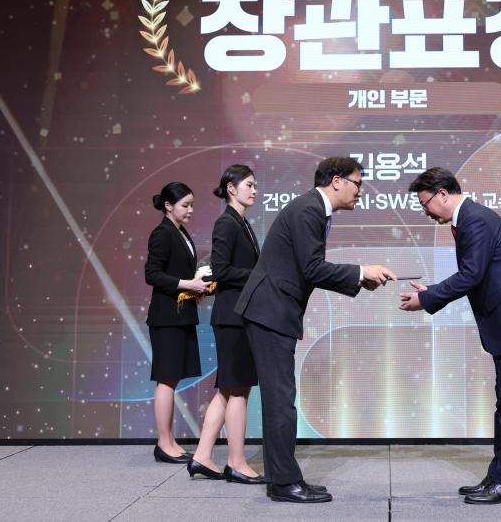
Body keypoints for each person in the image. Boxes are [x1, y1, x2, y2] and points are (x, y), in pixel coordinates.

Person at [235, 156, 397, 503]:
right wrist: (361, 271)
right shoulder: (309, 209)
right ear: (337, 181)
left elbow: (308, 268)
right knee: (281, 400)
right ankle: (284, 483)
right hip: (269, 312)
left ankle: (282, 478)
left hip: (273, 311)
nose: (360, 192)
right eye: (357, 184)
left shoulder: (313, 209)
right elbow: (312, 268)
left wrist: (359, 279)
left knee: (280, 399)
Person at [399, 167, 501, 505]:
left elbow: (471, 275)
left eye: (425, 203)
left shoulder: (475, 219)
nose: (426, 212)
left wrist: (427, 299)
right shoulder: (470, 219)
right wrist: (433, 292)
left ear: (443, 193)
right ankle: (498, 477)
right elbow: (475, 273)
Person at [188, 165, 265, 484]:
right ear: (231, 188)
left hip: (237, 315)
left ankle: (202, 456)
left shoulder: (240, 222)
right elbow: (220, 270)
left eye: (255, 185)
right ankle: (236, 462)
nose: (254, 190)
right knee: (239, 391)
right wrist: (261, 275)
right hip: (232, 317)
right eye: (249, 185)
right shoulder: (227, 222)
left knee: (229, 388)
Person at [144, 181, 209, 464]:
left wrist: (196, 288)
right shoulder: (162, 233)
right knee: (166, 379)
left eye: (192, 204)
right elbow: (152, 274)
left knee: (172, 378)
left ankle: (169, 441)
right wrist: (188, 284)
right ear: (168, 206)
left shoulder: (180, 231)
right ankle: (163, 443)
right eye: (185, 205)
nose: (190, 210)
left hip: (180, 313)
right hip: (166, 317)